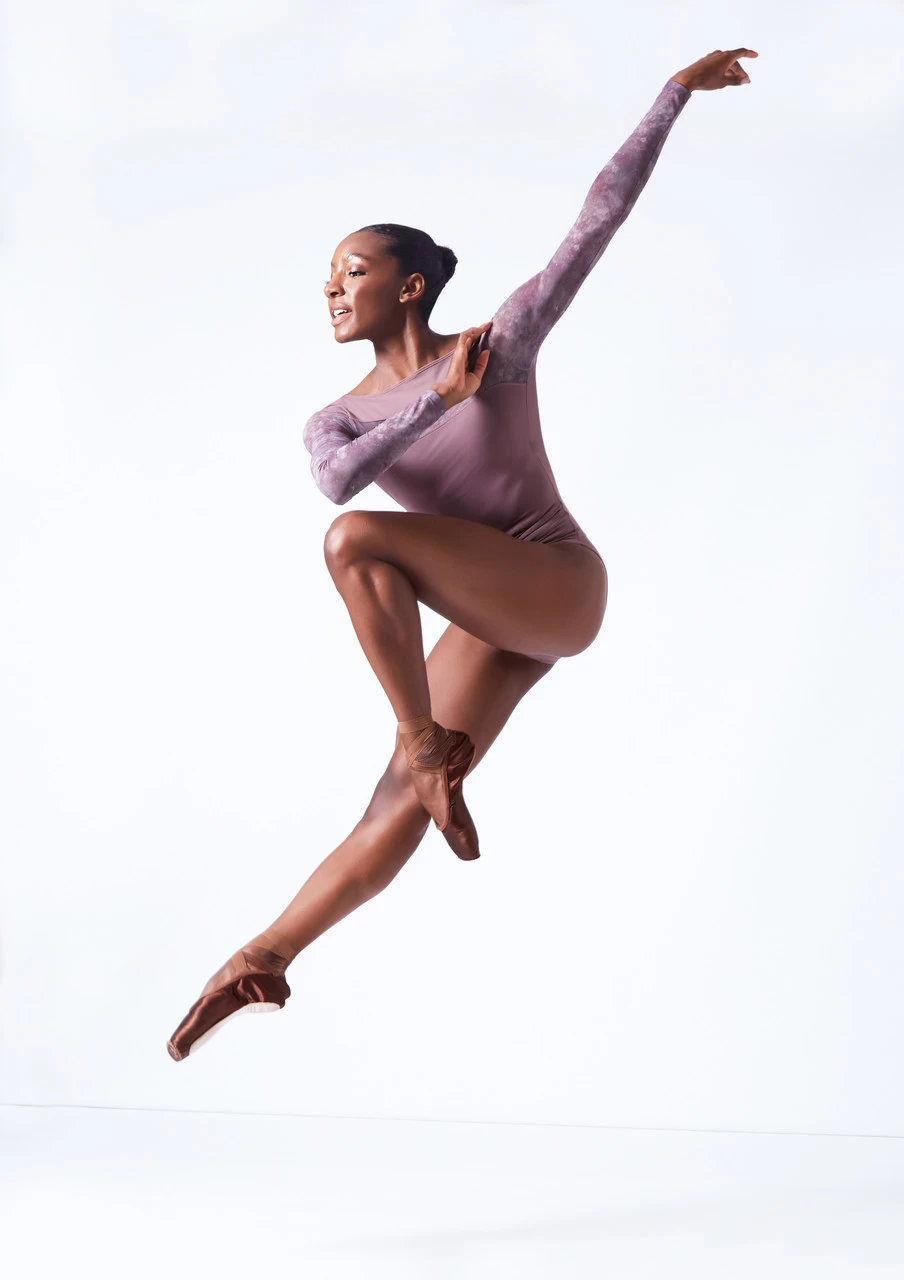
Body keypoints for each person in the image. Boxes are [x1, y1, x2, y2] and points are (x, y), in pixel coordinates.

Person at [166, 47, 757, 1061]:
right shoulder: (336, 419)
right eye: (327, 277)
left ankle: (427, 746)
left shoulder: (498, 344)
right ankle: (261, 956)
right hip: (493, 622)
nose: (332, 288)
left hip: (558, 584)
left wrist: (671, 96)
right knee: (392, 800)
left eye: (353, 271)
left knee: (357, 547)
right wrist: (432, 404)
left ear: (411, 285)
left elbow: (597, 221)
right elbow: (337, 481)